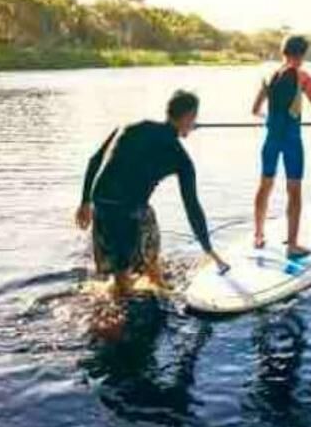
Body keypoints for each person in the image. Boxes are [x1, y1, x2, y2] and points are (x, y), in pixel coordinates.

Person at [76, 90, 229, 296]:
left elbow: (94, 161)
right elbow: (191, 206)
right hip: (130, 212)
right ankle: (156, 283)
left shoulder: (129, 128)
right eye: (194, 119)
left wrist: (84, 202)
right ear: (189, 117)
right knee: (147, 265)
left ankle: (126, 290)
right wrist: (208, 248)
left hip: (101, 204)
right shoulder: (180, 158)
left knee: (120, 278)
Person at [252, 35, 311, 257]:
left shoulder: (268, 76)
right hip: (292, 141)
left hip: (271, 139)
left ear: (283, 52)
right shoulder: (303, 78)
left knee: (265, 185)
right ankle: (292, 246)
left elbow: (255, 110)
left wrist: (269, 118)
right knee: (294, 191)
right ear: (302, 54)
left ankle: (258, 235)